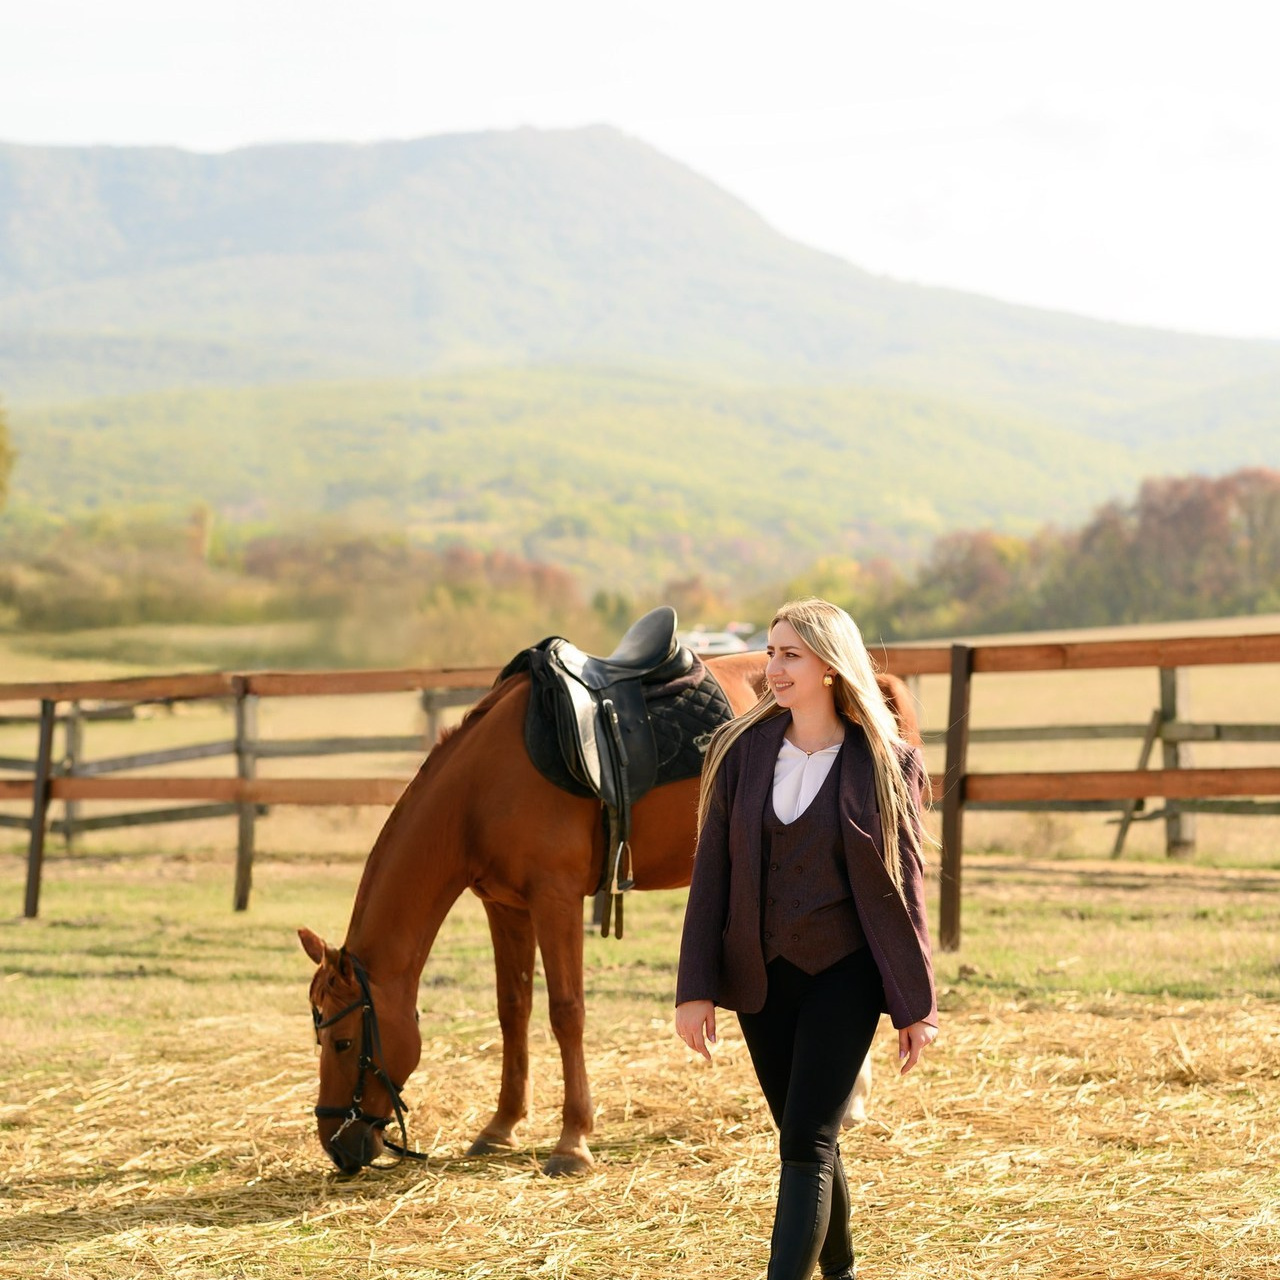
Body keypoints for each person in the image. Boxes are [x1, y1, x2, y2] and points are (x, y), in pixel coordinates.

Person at [675, 597, 938, 1280]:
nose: (773, 668)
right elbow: (711, 876)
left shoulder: (886, 761)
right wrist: (695, 988)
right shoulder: (738, 752)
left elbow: (905, 891)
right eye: (771, 653)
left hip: (846, 975)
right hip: (761, 978)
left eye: (790, 654)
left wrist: (915, 1005)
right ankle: (841, 1273)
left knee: (805, 1141)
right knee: (808, 1137)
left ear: (829, 665)